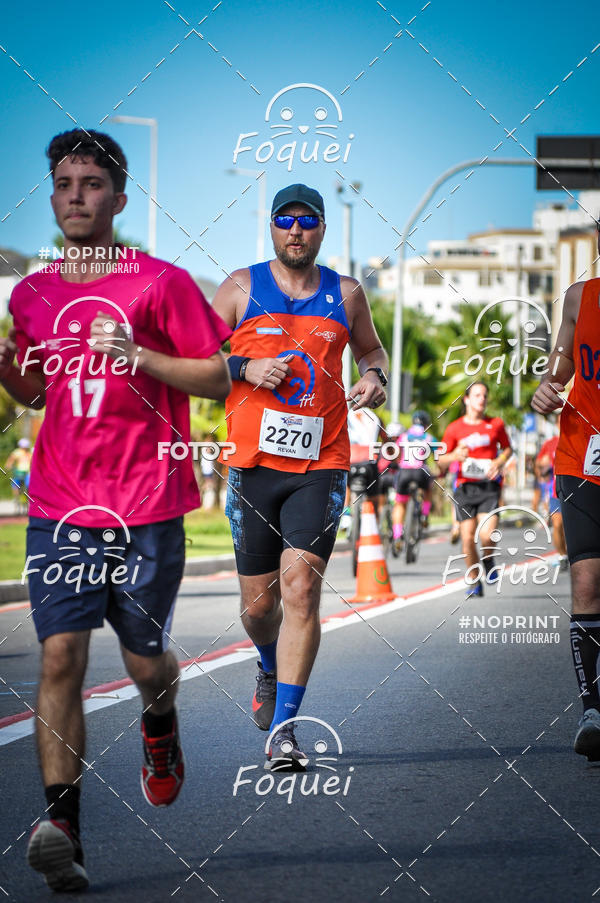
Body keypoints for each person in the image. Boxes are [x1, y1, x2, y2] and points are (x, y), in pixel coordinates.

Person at [0, 129, 231, 891]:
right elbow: (37, 391)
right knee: (60, 655)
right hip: (62, 501)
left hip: (146, 502)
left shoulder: (160, 282)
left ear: (118, 198)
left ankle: (158, 725)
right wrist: (9, 374)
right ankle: (62, 823)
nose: (75, 195)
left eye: (91, 183)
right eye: (64, 181)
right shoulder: (30, 294)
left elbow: (220, 376)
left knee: (144, 662)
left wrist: (139, 355)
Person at [212, 183, 388, 770]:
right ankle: (267, 663)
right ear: (271, 226)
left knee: (302, 589)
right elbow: (191, 356)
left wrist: (374, 379)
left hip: (322, 464)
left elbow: (372, 354)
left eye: (307, 220)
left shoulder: (347, 293)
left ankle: (285, 728)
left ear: (320, 229)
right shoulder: (239, 288)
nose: (296, 229)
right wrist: (245, 365)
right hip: (251, 466)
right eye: (285, 219)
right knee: (259, 608)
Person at [531, 254, 600, 761]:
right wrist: (548, 387)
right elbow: (562, 359)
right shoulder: (580, 296)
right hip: (583, 458)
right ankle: (593, 710)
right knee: (586, 582)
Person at [438, 382, 512, 597]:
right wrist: (454, 457)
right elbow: (440, 460)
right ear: (466, 399)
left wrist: (499, 461)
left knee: (487, 535)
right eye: (477, 395)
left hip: (489, 486)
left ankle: (488, 559)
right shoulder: (454, 428)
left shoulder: (495, 424)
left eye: (485, 395)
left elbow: (507, 448)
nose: (482, 399)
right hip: (465, 488)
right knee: (468, 538)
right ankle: (474, 580)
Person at [392, 411, 436, 548]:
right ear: (426, 424)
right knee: (428, 488)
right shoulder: (429, 437)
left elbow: (396, 454)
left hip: (404, 472)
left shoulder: (404, 436)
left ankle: (397, 535)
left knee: (400, 504)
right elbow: (438, 457)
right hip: (420, 472)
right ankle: (424, 515)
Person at [535, 430, 568, 571]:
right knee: (557, 523)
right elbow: (539, 462)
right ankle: (562, 556)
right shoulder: (551, 443)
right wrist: (542, 476)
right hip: (557, 489)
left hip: (578, 489)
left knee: (572, 526)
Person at [5, 437, 33, 508]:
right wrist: (8, 465)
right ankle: (16, 498)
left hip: (27, 473)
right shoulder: (17, 452)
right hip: (18, 472)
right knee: (15, 484)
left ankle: (28, 497)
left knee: (29, 484)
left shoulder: (30, 453)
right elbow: (11, 460)